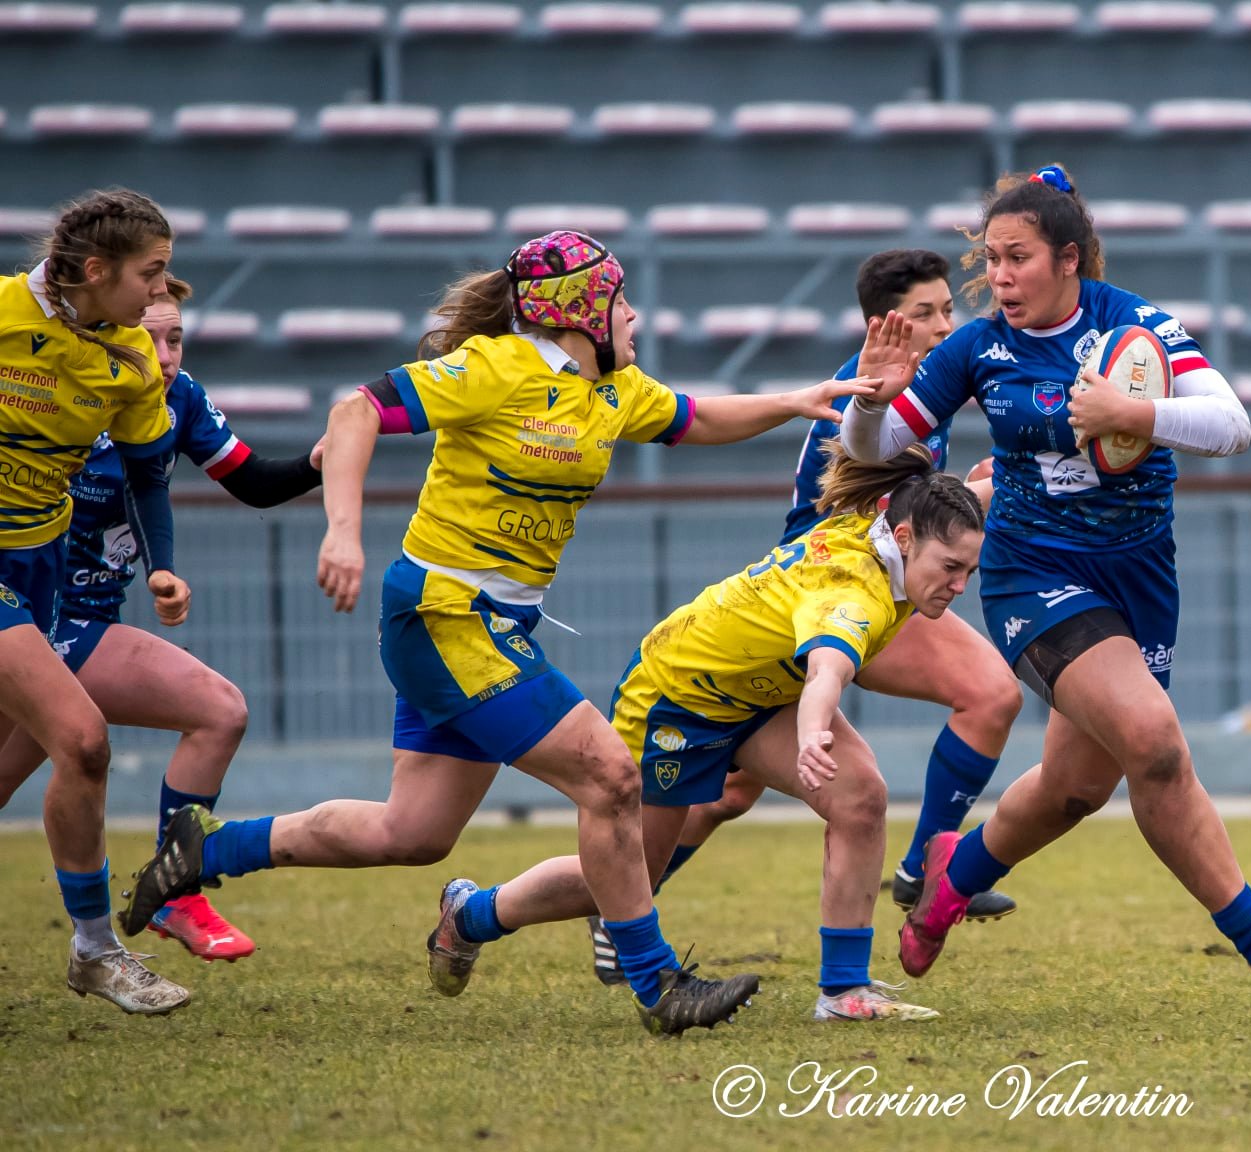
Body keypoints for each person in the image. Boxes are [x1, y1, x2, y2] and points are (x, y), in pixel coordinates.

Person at [117, 230, 869, 1033]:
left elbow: (698, 417)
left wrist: (795, 401)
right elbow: (354, 410)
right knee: (610, 776)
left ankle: (204, 850)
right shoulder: (497, 369)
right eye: (622, 300)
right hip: (444, 614)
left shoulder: (610, 390)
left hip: (489, 622)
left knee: (412, 833)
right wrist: (342, 530)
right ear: (583, 310)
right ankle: (656, 985)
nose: (636, 315)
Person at [842, 165, 1251, 1000]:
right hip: (1031, 570)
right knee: (1153, 741)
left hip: (1139, 574)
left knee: (1075, 789)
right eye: (991, 260)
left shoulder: (1135, 326)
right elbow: (870, 445)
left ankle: (944, 890)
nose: (998, 277)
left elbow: (1233, 426)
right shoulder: (975, 348)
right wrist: (868, 402)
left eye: (1017, 258)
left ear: (1069, 260)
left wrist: (1133, 415)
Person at [430, 445, 986, 1022]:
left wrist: (1002, 484)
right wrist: (815, 732)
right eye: (950, 569)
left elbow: (953, 527)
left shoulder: (887, 528)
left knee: (861, 797)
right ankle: (471, 914)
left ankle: (843, 992)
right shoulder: (854, 593)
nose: (960, 584)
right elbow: (827, 667)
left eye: (969, 570)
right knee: (628, 877)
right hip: (676, 697)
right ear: (901, 538)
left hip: (751, 694)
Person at [650, 249, 1022, 923]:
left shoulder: (919, 389)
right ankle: (925, 870)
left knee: (725, 796)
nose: (943, 326)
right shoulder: (868, 393)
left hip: (861, 582)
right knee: (989, 694)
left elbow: (901, 509)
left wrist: (962, 490)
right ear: (883, 324)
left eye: (946, 309)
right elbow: (871, 520)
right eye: (923, 313)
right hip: (831, 589)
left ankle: (619, 910)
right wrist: (1002, 483)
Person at [0, 274, 325, 963]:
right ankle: (134, 920)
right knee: (128, 734)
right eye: (150, 336)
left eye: (175, 336)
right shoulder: (60, 381)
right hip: (35, 607)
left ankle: (171, 896)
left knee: (210, 713)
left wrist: (321, 461)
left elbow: (249, 480)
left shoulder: (177, 396)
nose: (166, 352)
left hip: (81, 618)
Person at [0, 188, 192, 1014]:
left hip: (36, 560)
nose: (160, 291)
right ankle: (96, 950)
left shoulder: (130, 360)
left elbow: (150, 476)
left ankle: (92, 951)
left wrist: (164, 566)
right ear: (93, 269)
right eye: (150, 274)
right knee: (82, 739)